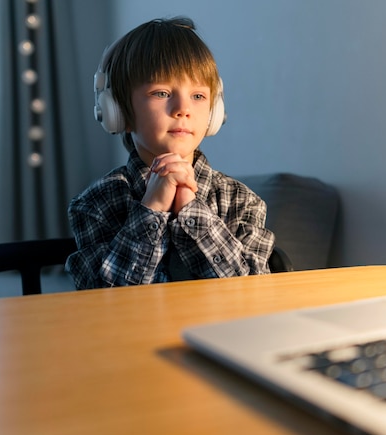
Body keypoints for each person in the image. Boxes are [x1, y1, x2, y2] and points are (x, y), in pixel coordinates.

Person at [66, 16, 275, 289]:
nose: (182, 108)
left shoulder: (243, 202)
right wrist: (150, 209)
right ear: (116, 110)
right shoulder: (95, 204)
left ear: (215, 112)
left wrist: (191, 210)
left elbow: (251, 292)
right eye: (162, 93)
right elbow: (102, 299)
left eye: (198, 96)